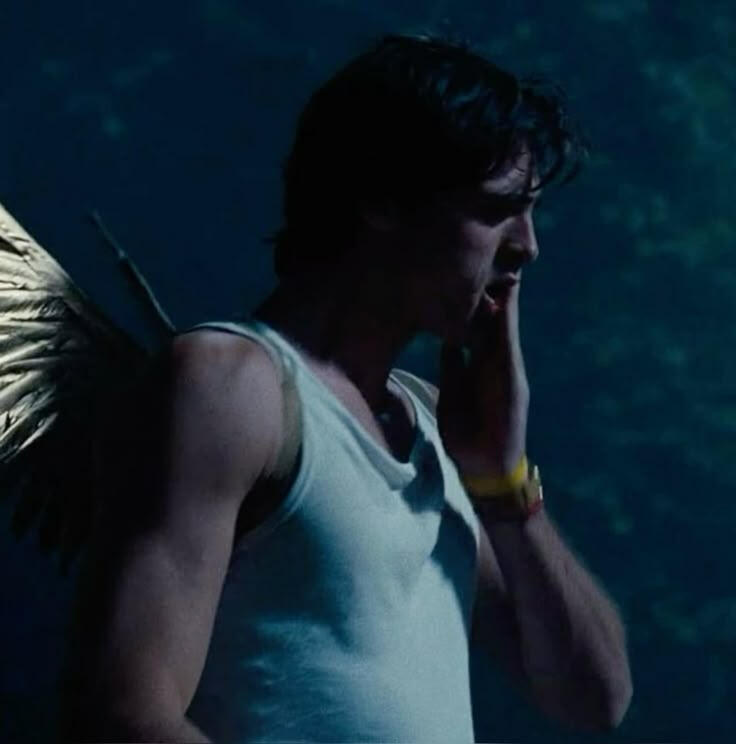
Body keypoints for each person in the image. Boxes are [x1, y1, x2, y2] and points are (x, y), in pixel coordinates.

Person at [59, 33, 632, 743]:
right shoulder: (230, 388)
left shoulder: (433, 424)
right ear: (384, 198)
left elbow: (594, 698)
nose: (527, 246)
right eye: (497, 210)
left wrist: (503, 480)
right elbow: (121, 715)